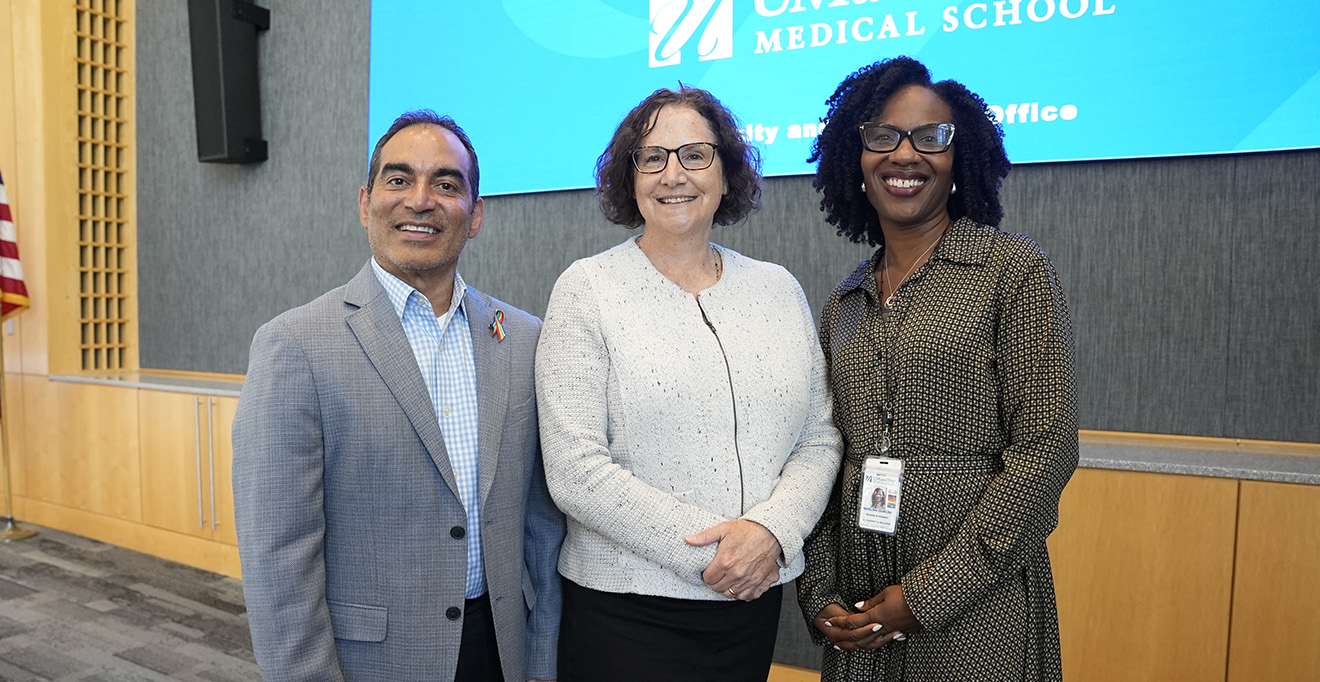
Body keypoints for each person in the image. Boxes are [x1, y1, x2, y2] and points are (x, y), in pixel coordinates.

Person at [232, 110, 565, 682]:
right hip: (372, 662)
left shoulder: (525, 339)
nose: (420, 200)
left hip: (501, 651)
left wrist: (541, 662)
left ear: (476, 214)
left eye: (445, 183)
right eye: (398, 179)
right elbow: (277, 560)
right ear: (366, 203)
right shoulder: (294, 346)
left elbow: (542, 528)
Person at [534, 86, 842, 682]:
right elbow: (575, 470)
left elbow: (818, 438)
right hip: (626, 615)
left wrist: (771, 535)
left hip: (751, 603)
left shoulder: (778, 290)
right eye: (653, 158)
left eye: (695, 154)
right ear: (632, 180)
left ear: (727, 174)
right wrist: (718, 557)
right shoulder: (587, 289)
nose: (673, 174)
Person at [797, 56, 1079, 681]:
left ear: (960, 158)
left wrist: (925, 598)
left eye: (931, 138)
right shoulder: (842, 303)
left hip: (979, 603)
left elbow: (1047, 450)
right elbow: (819, 450)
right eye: (883, 137)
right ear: (857, 159)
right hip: (859, 603)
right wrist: (818, 592)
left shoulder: (1013, 272)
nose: (905, 155)